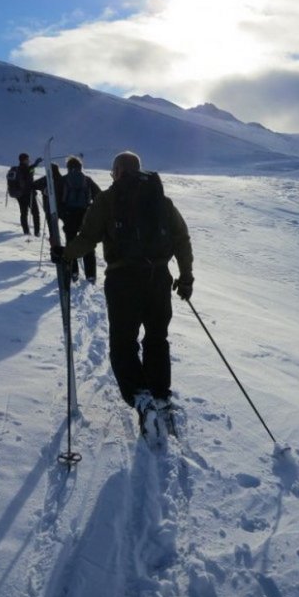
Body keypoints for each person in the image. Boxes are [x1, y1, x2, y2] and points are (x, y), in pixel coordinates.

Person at [54, 150, 193, 429]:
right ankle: (161, 397)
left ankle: (141, 398)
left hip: (123, 280)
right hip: (159, 278)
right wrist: (186, 277)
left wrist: (65, 254)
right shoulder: (161, 200)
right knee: (156, 339)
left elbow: (88, 238)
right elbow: (181, 239)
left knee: (123, 343)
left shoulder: (107, 200)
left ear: (117, 171)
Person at [59, 156, 102, 283]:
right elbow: (98, 196)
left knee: (71, 243)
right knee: (87, 242)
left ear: (68, 168)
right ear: (80, 167)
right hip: (85, 215)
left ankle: (73, 272)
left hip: (69, 216)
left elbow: (58, 200)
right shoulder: (87, 180)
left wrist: (63, 215)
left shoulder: (64, 180)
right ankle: (91, 275)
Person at [12, 153, 41, 237]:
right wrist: (35, 165)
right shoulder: (24, 169)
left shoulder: (18, 169)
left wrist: (34, 165)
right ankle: (37, 232)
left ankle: (26, 231)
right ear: (24, 160)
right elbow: (28, 174)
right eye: (28, 159)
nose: (29, 161)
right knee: (35, 213)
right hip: (28, 194)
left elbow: (29, 170)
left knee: (24, 213)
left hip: (20, 195)